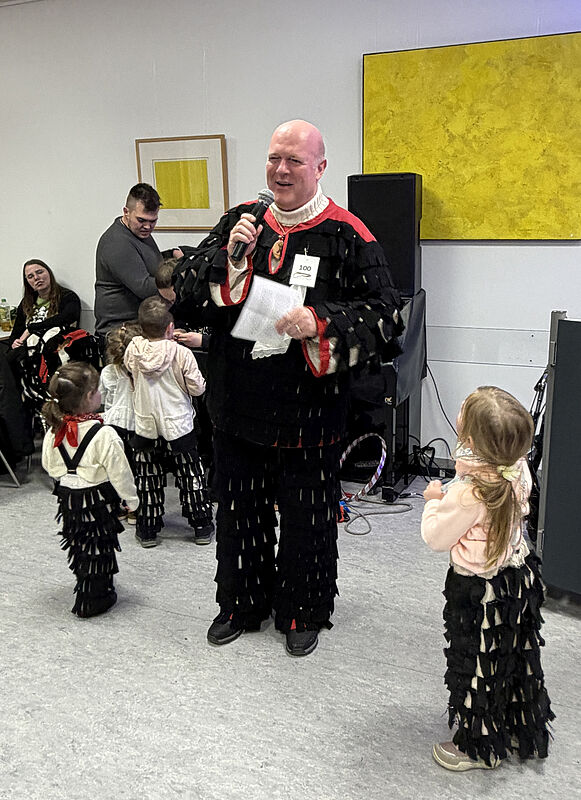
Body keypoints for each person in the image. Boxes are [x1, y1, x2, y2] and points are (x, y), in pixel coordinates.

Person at [172, 119, 404, 656]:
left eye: (294, 160)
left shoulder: (349, 234)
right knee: (238, 510)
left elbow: (386, 316)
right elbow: (184, 290)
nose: (281, 170)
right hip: (238, 403)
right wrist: (231, 258)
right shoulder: (241, 220)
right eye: (274, 158)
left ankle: (303, 609)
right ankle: (240, 604)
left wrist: (319, 321)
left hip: (309, 411)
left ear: (319, 168)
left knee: (307, 516)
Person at [421, 386, 554, 772]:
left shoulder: (469, 493)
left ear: (472, 440)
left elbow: (436, 537)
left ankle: (479, 748)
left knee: (477, 666)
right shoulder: (518, 468)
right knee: (513, 655)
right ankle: (514, 727)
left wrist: (433, 501)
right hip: (518, 579)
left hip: (479, 592)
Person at [41, 361, 138, 618]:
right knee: (100, 545)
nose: (100, 394)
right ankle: (96, 598)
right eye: (97, 390)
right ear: (89, 396)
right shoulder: (104, 434)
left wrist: (68, 476)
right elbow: (121, 473)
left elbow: (49, 465)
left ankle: (86, 586)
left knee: (79, 542)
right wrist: (132, 500)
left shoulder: (55, 429)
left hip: (69, 499)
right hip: (97, 499)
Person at [123, 296, 213, 548]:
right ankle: (201, 526)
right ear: (171, 328)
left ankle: (147, 529)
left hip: (146, 424)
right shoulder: (182, 353)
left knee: (148, 479)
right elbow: (197, 389)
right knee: (190, 476)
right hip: (178, 424)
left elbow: (130, 371)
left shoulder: (133, 349)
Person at [7, 259, 82, 414]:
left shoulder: (67, 297)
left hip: (53, 351)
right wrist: (15, 341)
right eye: (30, 276)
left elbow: (68, 317)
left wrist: (33, 328)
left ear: (49, 273)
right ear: (27, 282)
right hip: (26, 351)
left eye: (40, 272)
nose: (36, 278)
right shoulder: (27, 302)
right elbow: (16, 332)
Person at [94, 183, 163, 346]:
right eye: (141, 220)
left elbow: (145, 260)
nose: (148, 226)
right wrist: (180, 278)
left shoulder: (139, 232)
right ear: (126, 212)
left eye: (153, 221)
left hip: (140, 326)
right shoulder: (117, 243)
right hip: (121, 334)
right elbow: (145, 288)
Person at [99, 321, 142, 522]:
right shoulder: (145, 369)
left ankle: (117, 505)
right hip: (139, 423)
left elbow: (102, 399)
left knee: (116, 467)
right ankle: (135, 507)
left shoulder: (108, 371)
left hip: (114, 424)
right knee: (137, 467)